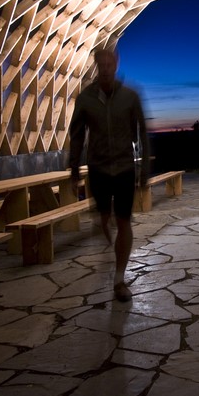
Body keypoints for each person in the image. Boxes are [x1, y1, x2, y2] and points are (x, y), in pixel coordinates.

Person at [68, 48, 150, 302]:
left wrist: (143, 169)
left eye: (108, 63)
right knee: (105, 216)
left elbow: (143, 133)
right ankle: (105, 225)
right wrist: (73, 169)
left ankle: (119, 279)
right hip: (98, 168)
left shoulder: (130, 96)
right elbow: (77, 135)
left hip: (124, 167)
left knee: (124, 221)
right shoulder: (85, 98)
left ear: (116, 64)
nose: (104, 68)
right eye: (100, 64)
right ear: (96, 65)